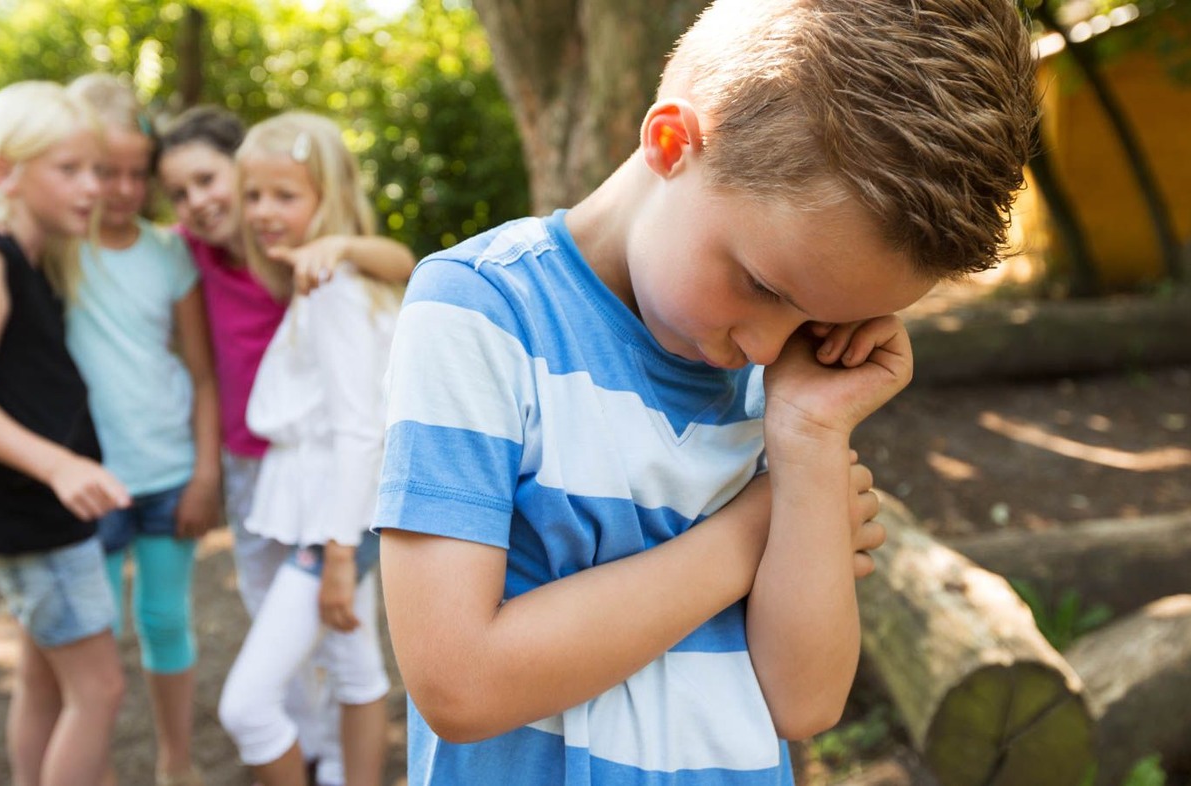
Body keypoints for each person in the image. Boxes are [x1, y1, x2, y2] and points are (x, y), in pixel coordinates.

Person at [374, 0, 1038, 783]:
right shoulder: (483, 314)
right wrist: (753, 530)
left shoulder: (785, 379)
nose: (765, 345)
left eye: (822, 318)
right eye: (760, 284)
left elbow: (805, 700)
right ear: (671, 142)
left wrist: (810, 443)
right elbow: (461, 682)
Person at [155, 107, 412, 786]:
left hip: (331, 516)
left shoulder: (331, 286)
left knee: (247, 706)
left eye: (285, 197)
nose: (263, 211)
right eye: (255, 196)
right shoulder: (302, 272)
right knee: (355, 666)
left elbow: (361, 429)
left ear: (325, 198)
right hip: (307, 499)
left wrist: (336, 554)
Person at [0, 80, 131, 786]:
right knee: (99, 691)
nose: (91, 189)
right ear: (7, 169)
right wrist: (58, 466)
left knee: (46, 683)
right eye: (68, 171)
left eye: (95, 171)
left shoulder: (31, 259)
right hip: (33, 514)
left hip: (31, 513)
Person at [64, 73, 221, 786]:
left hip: (166, 474)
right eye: (106, 172)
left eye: (136, 173)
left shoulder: (170, 253)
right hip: (85, 485)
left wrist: (205, 472)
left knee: (164, 621)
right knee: (90, 643)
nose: (124, 189)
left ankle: (175, 765)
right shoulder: (58, 249)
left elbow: (202, 371)